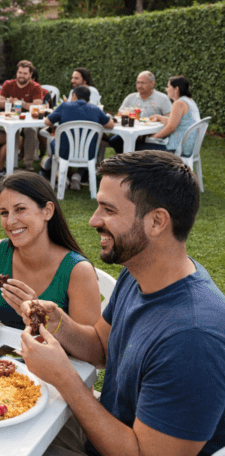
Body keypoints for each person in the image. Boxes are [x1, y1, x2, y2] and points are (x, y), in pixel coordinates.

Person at [19, 151, 225, 456]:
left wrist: (64, 377)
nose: (93, 220)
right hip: (102, 431)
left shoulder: (193, 338)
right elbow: (102, 347)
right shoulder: (139, 273)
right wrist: (58, 323)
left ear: (157, 221)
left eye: (108, 209)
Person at [0, 171, 101, 330]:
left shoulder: (78, 271)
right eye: (4, 213)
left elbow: (89, 350)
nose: (11, 221)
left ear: (47, 211)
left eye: (20, 209)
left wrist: (38, 315)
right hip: (4, 353)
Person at [42, 86, 114, 191]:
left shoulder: (64, 106)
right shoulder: (95, 109)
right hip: (88, 153)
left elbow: (47, 122)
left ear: (74, 95)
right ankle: (78, 176)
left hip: (64, 152)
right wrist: (109, 117)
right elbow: (110, 125)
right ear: (88, 98)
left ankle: (61, 177)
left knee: (54, 142)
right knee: (83, 143)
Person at [0, 60, 44, 171]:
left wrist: (21, 103)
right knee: (13, 131)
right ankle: (12, 163)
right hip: (11, 119)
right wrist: (10, 101)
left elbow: (38, 105)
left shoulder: (36, 87)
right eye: (20, 73)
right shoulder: (8, 84)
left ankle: (28, 165)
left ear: (30, 74)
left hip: (28, 121)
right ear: (16, 73)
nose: (22, 76)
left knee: (31, 130)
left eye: (25, 73)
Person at [109, 71, 173, 154]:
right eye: (138, 82)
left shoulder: (162, 98)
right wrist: (127, 114)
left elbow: (170, 119)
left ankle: (133, 161)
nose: (139, 86)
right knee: (113, 141)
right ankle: (126, 161)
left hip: (152, 137)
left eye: (143, 83)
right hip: (131, 132)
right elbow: (119, 115)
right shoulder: (131, 97)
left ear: (152, 83)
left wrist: (158, 119)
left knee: (133, 146)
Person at [145, 75, 201, 154]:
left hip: (177, 149)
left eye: (168, 87)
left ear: (176, 89)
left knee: (138, 146)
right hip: (188, 147)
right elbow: (177, 121)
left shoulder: (179, 103)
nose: (166, 89)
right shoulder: (189, 101)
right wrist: (159, 117)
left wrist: (152, 138)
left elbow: (171, 127)